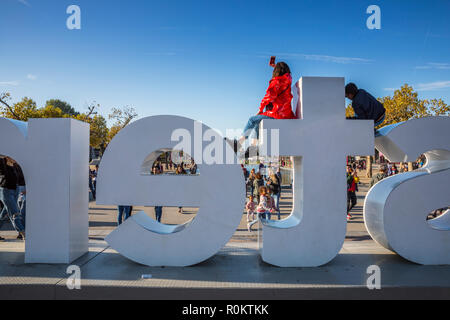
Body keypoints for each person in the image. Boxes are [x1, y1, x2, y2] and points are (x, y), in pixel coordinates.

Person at [235, 62, 296, 152]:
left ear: (276, 71)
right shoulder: (287, 82)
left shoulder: (277, 82)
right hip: (286, 114)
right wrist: (275, 66)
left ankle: (239, 144)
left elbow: (269, 96)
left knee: (252, 120)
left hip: (277, 114)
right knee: (258, 121)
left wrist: (260, 109)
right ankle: (253, 147)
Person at [0, 157, 25, 240]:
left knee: (4, 214)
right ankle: (22, 232)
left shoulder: (15, 166)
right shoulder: (2, 164)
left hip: (15, 189)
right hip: (6, 190)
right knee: (15, 212)